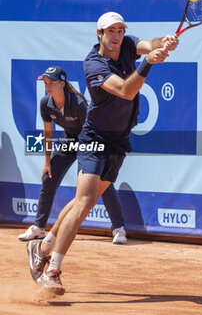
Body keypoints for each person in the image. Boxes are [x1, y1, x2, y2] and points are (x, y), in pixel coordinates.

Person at [26, 12, 178, 295]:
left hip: (119, 142)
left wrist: (164, 42)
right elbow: (125, 91)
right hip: (94, 138)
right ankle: (53, 270)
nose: (116, 36)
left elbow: (149, 43)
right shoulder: (93, 63)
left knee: (83, 200)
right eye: (110, 31)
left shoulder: (128, 45)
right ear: (99, 34)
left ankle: (43, 245)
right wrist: (147, 64)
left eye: (120, 30)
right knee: (84, 204)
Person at [20, 66, 127, 245]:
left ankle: (119, 229)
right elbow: (48, 133)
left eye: (52, 82)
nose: (48, 86)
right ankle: (38, 227)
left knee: (100, 183)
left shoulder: (77, 103)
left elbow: (92, 131)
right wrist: (47, 162)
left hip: (89, 141)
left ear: (62, 83)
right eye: (45, 82)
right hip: (69, 139)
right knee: (49, 177)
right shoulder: (45, 103)